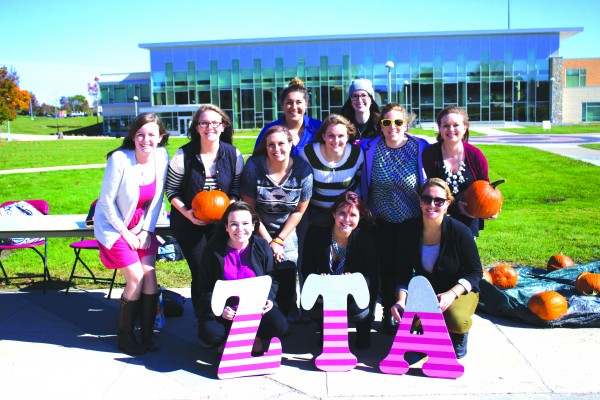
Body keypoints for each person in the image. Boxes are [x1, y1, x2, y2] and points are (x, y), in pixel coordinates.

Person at [94, 113, 170, 355]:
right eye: (140, 135)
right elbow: (105, 202)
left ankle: (147, 334)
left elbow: (157, 199)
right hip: (115, 225)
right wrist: (127, 234)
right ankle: (125, 336)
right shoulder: (119, 159)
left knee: (150, 277)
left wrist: (146, 230)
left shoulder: (161, 156)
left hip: (142, 225)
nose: (145, 140)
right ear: (133, 137)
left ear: (160, 137)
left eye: (151, 135)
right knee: (135, 278)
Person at [164, 104, 244, 327]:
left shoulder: (233, 154)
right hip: (189, 222)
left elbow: (236, 190)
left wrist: (228, 210)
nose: (210, 127)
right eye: (204, 123)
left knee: (223, 269)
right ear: (197, 127)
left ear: (223, 126)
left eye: (215, 123)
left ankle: (225, 318)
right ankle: (204, 321)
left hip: (222, 224)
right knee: (201, 271)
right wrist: (188, 213)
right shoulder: (184, 155)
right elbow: (171, 190)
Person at [390, 178, 482, 359]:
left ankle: (458, 334)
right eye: (426, 199)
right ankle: (424, 335)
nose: (432, 204)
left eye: (438, 200)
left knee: (456, 319)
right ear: (420, 201)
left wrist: (451, 294)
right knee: (404, 322)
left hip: (458, 289)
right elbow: (402, 271)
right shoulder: (408, 230)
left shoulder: (461, 231)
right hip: (427, 289)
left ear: (447, 204)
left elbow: (475, 272)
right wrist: (401, 301)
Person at [359, 103, 430, 335]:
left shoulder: (419, 148)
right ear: (380, 126)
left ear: (406, 124)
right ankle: (388, 312)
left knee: (406, 266)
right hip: (380, 219)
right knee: (384, 268)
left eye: (398, 122)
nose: (392, 127)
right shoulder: (370, 148)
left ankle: (412, 314)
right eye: (387, 122)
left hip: (411, 219)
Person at [241, 125, 313, 318]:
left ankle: (287, 303)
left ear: (291, 145)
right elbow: (250, 209)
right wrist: (268, 241)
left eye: (281, 143)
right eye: (271, 145)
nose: (276, 149)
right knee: (261, 260)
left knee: (288, 259)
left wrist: (279, 240)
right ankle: (258, 306)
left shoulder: (302, 170)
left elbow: (299, 211)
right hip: (257, 225)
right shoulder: (254, 167)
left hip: (286, 228)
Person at [196, 201, 289, 351]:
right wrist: (221, 307)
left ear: (253, 225)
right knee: (211, 335)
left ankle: (255, 336)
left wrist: (269, 299)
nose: (240, 229)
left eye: (245, 223)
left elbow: (272, 277)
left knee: (280, 327)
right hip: (226, 312)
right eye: (233, 224)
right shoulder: (213, 252)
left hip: (255, 308)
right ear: (226, 226)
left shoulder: (262, 246)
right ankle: (227, 337)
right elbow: (204, 287)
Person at [301, 192, 379, 349]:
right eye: (342, 213)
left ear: (359, 218)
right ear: (333, 214)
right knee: (312, 306)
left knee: (357, 315)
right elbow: (306, 268)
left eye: (353, 215)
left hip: (353, 295)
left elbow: (372, 277)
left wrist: (355, 282)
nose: (347, 219)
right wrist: (317, 280)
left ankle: (362, 329)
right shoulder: (315, 234)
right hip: (325, 293)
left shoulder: (365, 239)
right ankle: (325, 328)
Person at [423, 106, 496, 237]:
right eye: (445, 125)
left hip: (469, 216)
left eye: (456, 125)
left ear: (465, 127)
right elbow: (429, 189)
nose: (451, 129)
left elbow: (486, 189)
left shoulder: (476, 156)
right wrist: (454, 206)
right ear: (439, 128)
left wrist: (490, 209)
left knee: (465, 255)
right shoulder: (430, 154)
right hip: (438, 214)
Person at [300, 114, 364, 227]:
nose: (336, 140)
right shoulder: (308, 154)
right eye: (331, 135)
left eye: (341, 136)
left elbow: (361, 180)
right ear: (323, 136)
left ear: (347, 137)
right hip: (317, 213)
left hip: (347, 215)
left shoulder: (357, 154)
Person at [254, 77, 322, 156]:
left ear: (307, 104)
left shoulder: (319, 128)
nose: (294, 107)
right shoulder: (269, 130)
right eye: (289, 102)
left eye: (299, 102)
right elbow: (256, 161)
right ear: (282, 105)